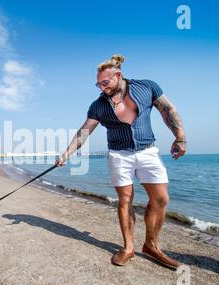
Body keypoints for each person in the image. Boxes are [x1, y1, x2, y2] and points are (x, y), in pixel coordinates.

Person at [56, 54, 187, 270]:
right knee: (125, 200)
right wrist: (66, 153)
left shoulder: (146, 87)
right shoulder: (98, 105)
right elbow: (84, 131)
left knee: (161, 199)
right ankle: (128, 248)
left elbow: (168, 110)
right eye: (98, 84)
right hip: (118, 154)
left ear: (118, 75)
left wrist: (180, 136)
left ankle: (151, 245)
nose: (101, 88)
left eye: (105, 82)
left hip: (147, 151)